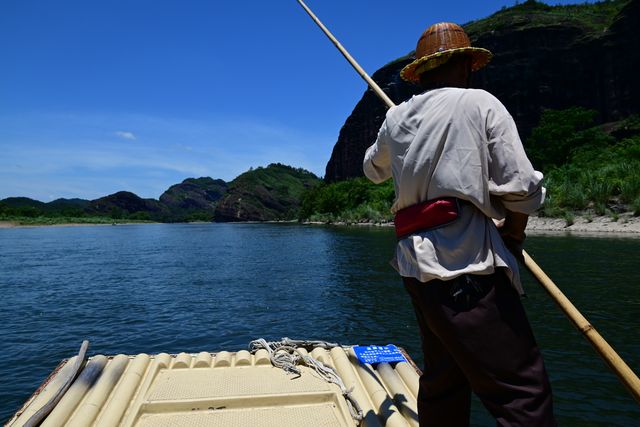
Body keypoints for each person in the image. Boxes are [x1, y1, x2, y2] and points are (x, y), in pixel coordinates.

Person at [363, 23, 556, 426]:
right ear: (468, 65)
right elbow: (522, 189)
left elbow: (372, 170)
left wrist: (396, 128)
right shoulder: (480, 103)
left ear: (422, 72)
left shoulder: (396, 119)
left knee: (444, 379)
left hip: (415, 268)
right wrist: (514, 233)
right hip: (467, 267)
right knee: (522, 394)